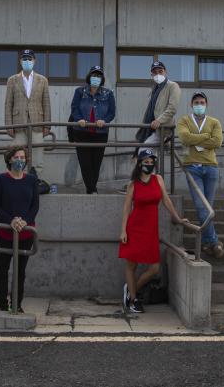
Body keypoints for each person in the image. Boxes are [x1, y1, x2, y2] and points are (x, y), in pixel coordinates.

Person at [119, 148, 189, 314]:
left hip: (151, 229)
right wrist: (123, 230)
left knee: (154, 268)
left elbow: (166, 199)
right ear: (140, 163)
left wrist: (177, 218)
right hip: (135, 228)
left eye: (151, 162)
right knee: (132, 265)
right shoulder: (132, 184)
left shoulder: (158, 179)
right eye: (146, 162)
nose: (149, 165)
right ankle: (133, 300)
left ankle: (131, 289)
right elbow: (127, 208)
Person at [0, 146, 40, 313]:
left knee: (20, 271)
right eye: (17, 157)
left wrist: (24, 221)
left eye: (23, 157)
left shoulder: (31, 180)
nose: (20, 160)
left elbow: (35, 206)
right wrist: (11, 220)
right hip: (5, 231)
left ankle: (17, 304)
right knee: (2, 270)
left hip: (26, 232)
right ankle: (2, 304)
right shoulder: (0, 179)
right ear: (9, 159)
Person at [176, 91, 224, 258]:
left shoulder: (214, 122)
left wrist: (195, 138)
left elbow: (217, 142)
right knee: (201, 207)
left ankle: (205, 242)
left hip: (211, 167)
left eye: (202, 102)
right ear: (191, 104)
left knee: (207, 207)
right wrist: (205, 137)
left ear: (206, 104)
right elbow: (184, 138)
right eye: (196, 102)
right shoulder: (184, 120)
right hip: (192, 167)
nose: (199, 105)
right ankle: (213, 241)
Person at [69, 65, 116, 194]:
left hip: (100, 133)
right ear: (89, 77)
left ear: (102, 79)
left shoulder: (108, 93)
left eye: (99, 76)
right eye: (94, 75)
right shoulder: (80, 91)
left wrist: (104, 120)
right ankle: (92, 189)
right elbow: (74, 108)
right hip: (81, 132)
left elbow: (112, 112)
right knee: (85, 164)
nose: (96, 78)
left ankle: (91, 189)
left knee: (96, 163)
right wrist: (79, 119)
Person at [4, 49, 51, 177]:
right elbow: (8, 104)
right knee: (18, 156)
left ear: (34, 61)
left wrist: (47, 126)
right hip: (18, 124)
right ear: (20, 61)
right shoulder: (12, 80)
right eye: (24, 59)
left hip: (37, 123)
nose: (27, 61)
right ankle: (19, 180)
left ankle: (36, 182)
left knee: (38, 158)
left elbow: (46, 104)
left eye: (29, 59)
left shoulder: (42, 80)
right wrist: (9, 126)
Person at [135, 60, 181, 151]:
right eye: (155, 73)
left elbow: (172, 108)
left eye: (160, 71)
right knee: (150, 156)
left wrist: (159, 121)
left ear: (165, 72)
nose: (158, 74)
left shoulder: (173, 86)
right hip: (150, 127)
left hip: (162, 129)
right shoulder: (154, 89)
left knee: (143, 151)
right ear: (152, 75)